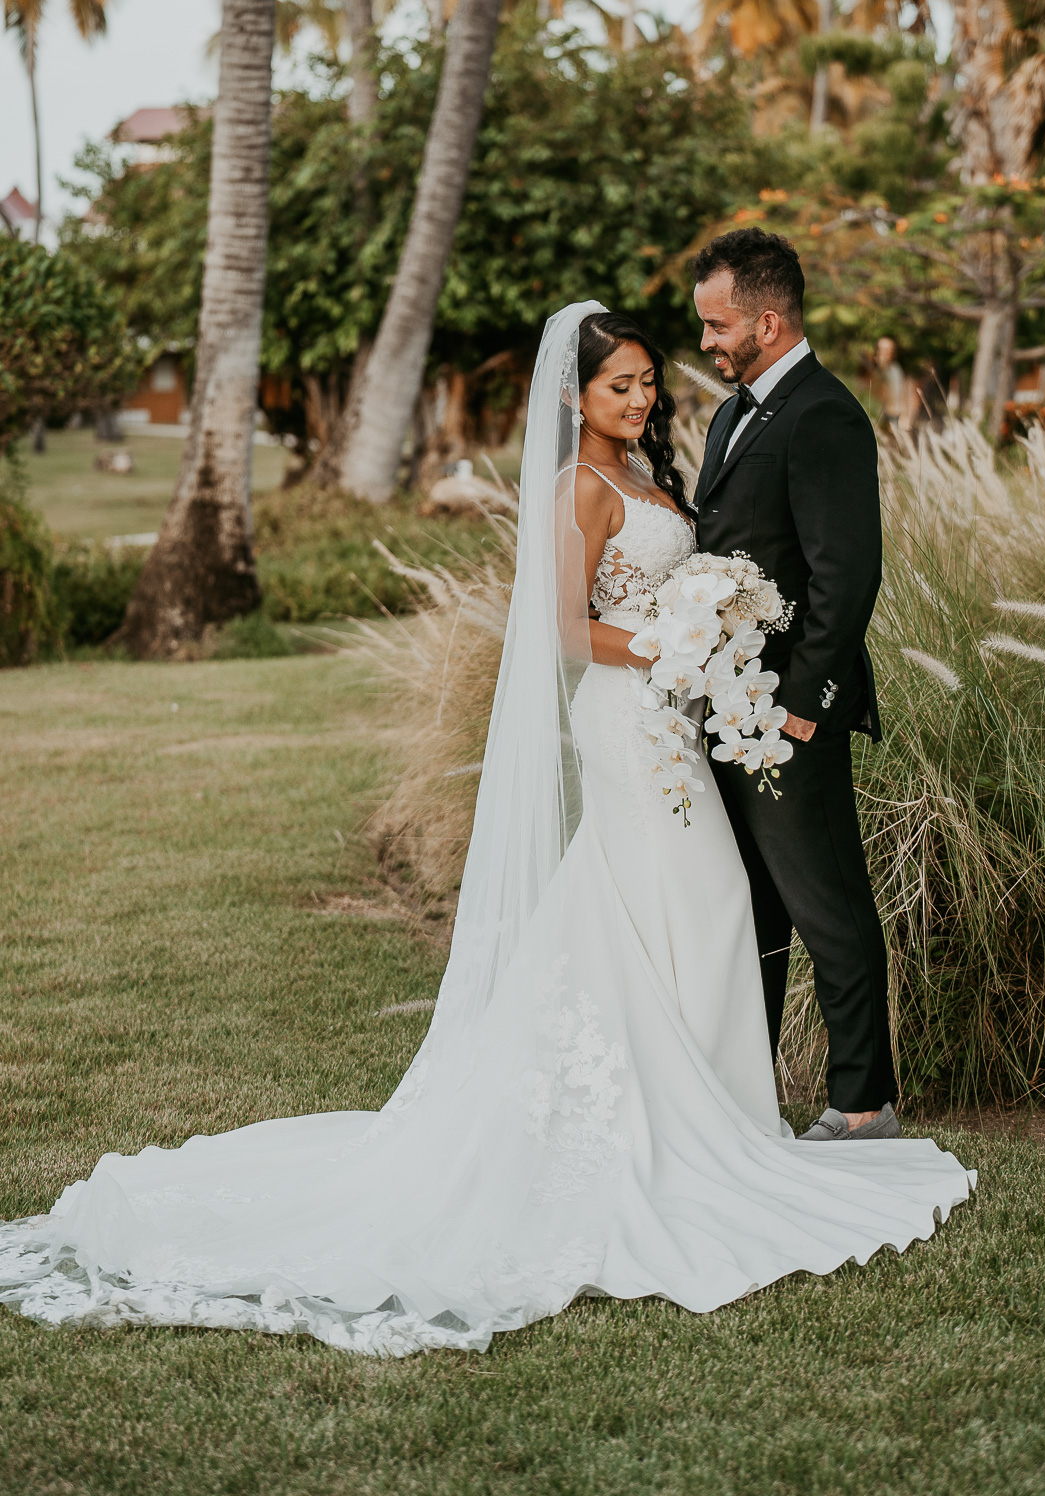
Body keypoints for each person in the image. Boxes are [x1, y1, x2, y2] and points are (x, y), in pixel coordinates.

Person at [0, 303, 972, 1359]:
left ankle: (713, 1117)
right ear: (574, 397)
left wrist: (708, 630)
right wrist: (675, 643)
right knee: (696, 891)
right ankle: (688, 1131)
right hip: (629, 719)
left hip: (677, 718)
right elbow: (563, 631)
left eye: (649, 381)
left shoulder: (651, 479)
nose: (642, 400)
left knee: (689, 902)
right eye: (620, 387)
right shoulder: (577, 490)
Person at [692, 229, 895, 1139]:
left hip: (784, 715)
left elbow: (845, 575)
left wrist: (804, 705)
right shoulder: (734, 415)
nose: (706, 341)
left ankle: (862, 1101)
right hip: (725, 705)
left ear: (767, 322)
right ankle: (747, 1087)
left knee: (826, 901)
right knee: (752, 905)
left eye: (717, 324)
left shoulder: (825, 415)